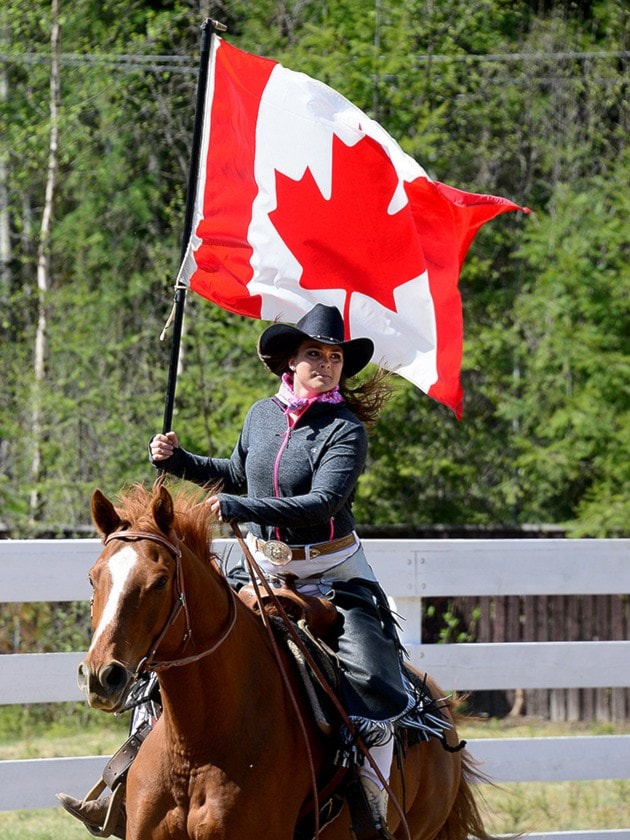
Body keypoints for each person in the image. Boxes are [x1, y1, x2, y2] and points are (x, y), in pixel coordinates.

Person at [60, 304, 422, 840]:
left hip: (332, 576)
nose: (325, 363)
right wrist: (180, 460)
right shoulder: (262, 415)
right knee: (174, 658)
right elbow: (236, 471)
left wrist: (240, 508)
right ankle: (122, 787)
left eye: (335, 356)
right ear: (290, 362)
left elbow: (322, 503)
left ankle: (371, 810)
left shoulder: (345, 428)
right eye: (313, 354)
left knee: (377, 695)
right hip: (261, 570)